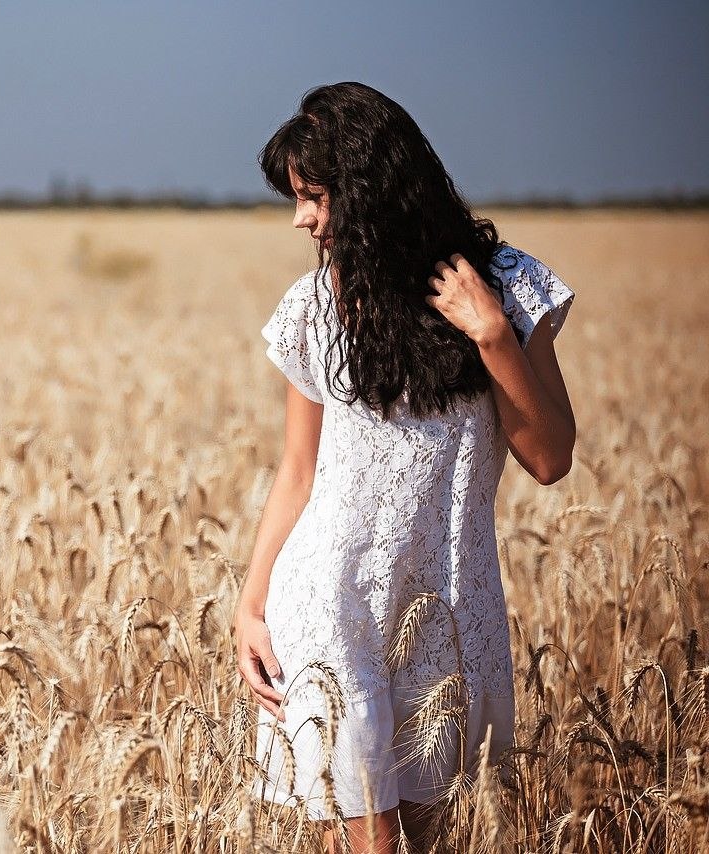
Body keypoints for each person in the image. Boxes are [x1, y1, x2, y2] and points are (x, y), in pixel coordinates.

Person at [236, 82, 576, 854]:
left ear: (371, 186)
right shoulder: (313, 308)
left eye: (315, 195)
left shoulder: (509, 290)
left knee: (436, 838)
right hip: (329, 605)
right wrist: (250, 606)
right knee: (368, 842)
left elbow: (551, 457)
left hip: (449, 610)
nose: (301, 219)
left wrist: (492, 336)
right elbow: (298, 472)